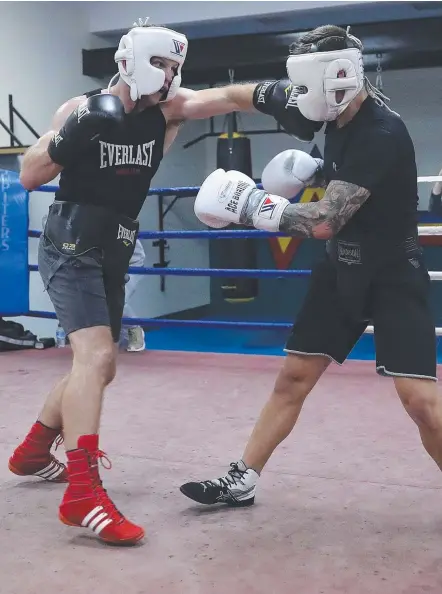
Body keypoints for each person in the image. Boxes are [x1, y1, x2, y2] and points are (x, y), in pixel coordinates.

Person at [8, 17, 321, 546]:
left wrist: (280, 94)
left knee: (99, 367)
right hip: (69, 241)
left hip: (115, 245)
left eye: (176, 66)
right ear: (130, 59)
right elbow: (30, 174)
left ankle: (35, 449)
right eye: (161, 63)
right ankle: (83, 492)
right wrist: (73, 132)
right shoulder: (78, 107)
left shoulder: (168, 112)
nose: (170, 76)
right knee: (99, 359)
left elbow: (224, 97)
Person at [180, 25, 442, 510]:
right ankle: (244, 478)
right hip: (340, 270)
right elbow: (247, 97)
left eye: (306, 85)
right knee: (292, 379)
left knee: (421, 403)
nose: (299, 97)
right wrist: (315, 168)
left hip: (391, 276)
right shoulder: (335, 118)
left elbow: (325, 220)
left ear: (339, 76)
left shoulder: (382, 131)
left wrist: (253, 207)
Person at [120, 238, 146, 352]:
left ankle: (134, 329)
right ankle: (123, 339)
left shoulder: (121, 222)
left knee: (117, 297)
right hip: (105, 266)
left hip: (131, 264)